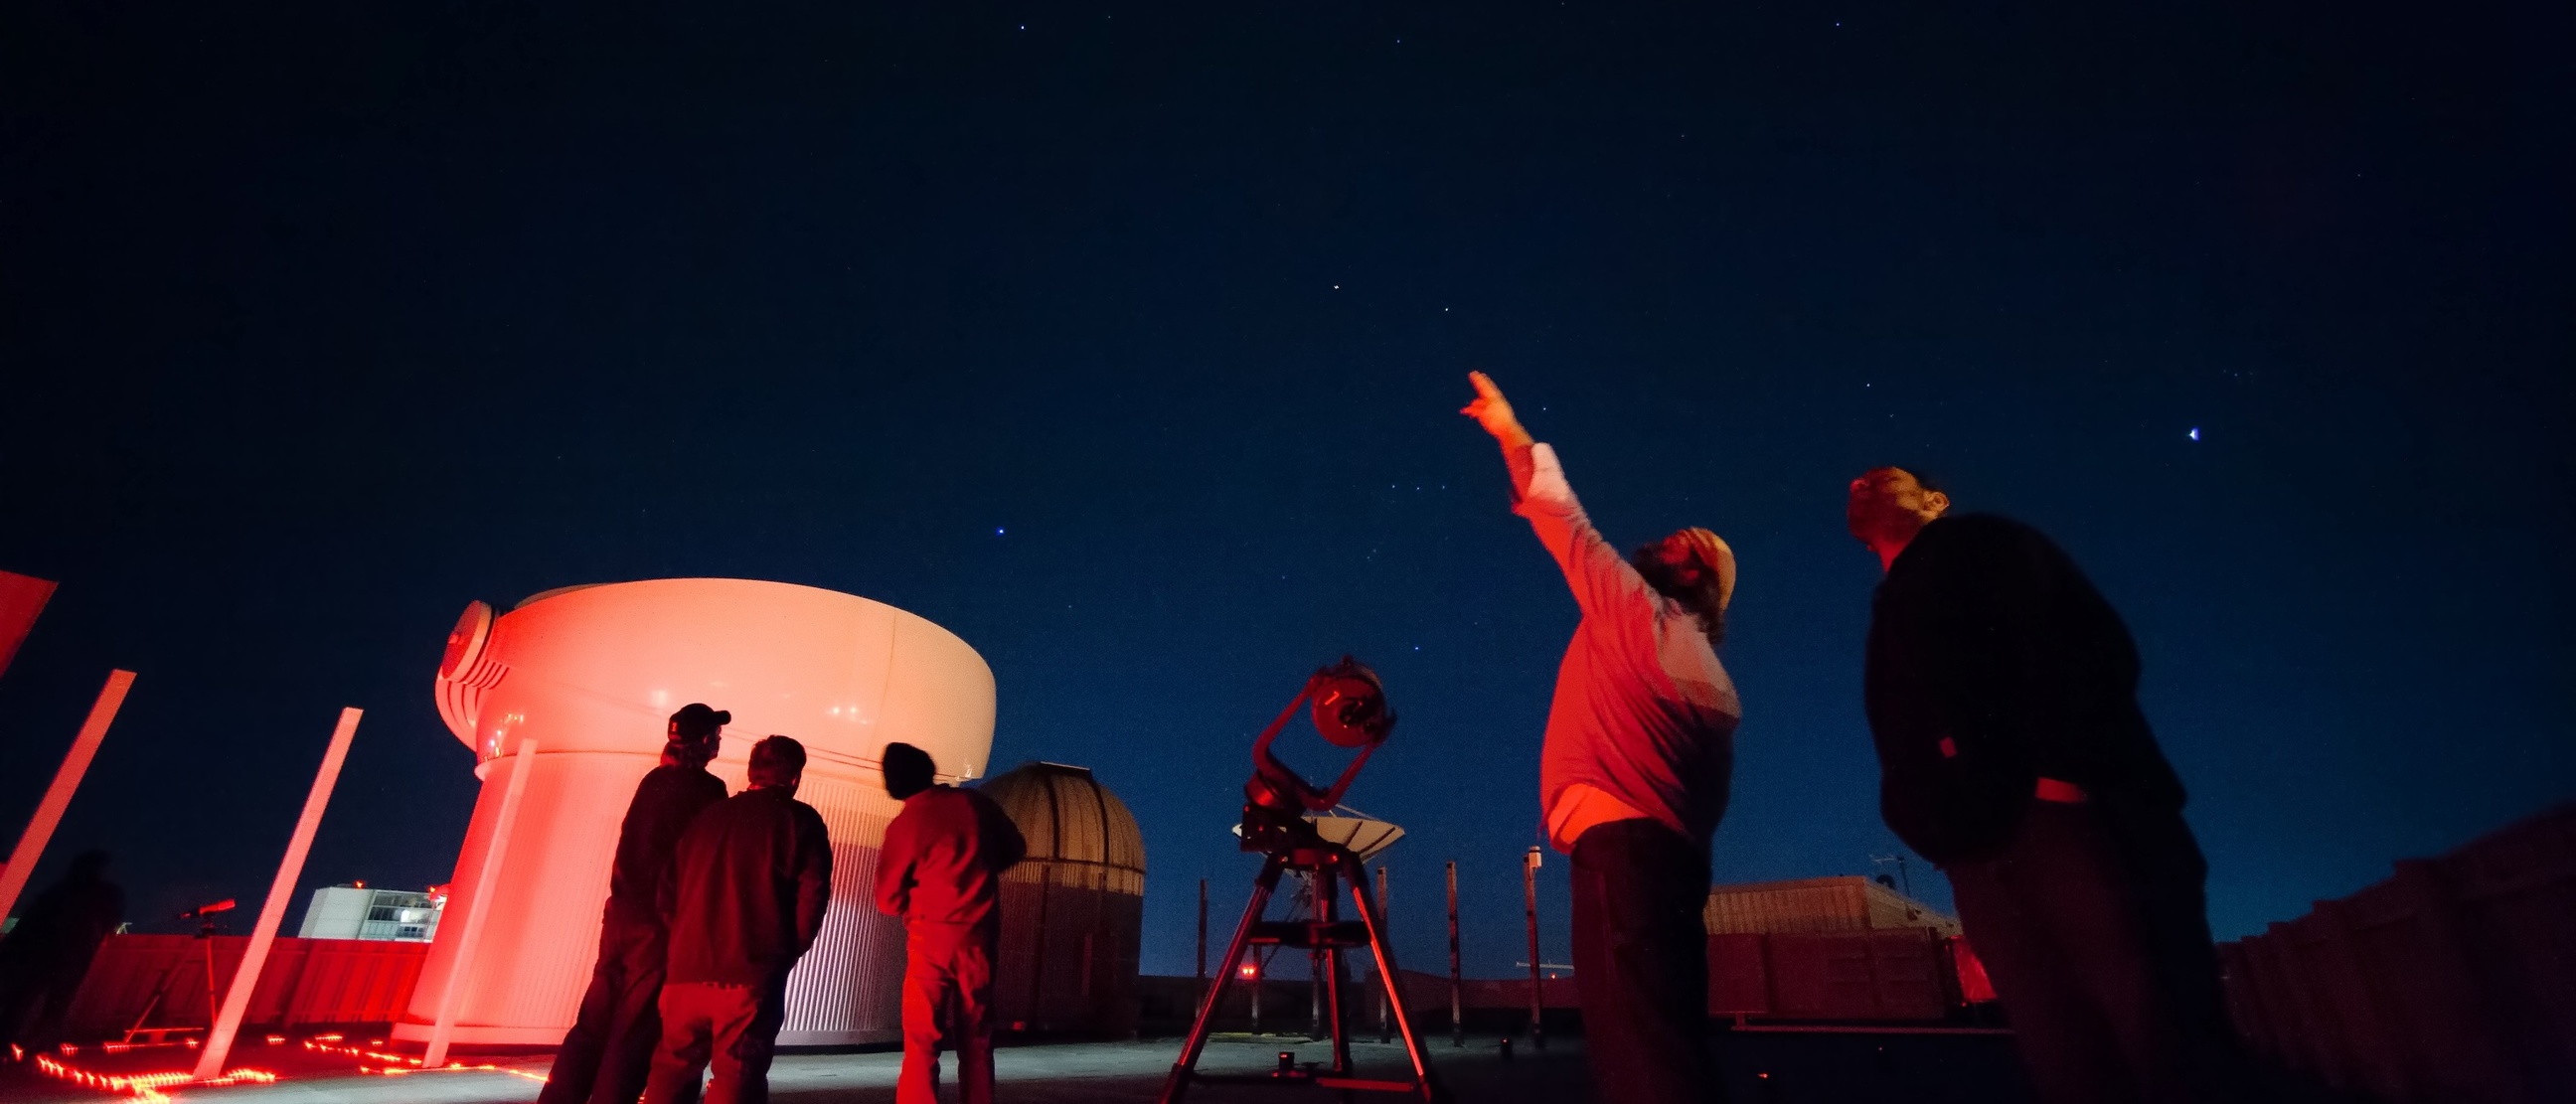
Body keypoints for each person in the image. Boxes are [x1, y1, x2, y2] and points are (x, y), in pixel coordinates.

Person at [1848, 466, 2245, 1103]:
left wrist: (2059, 780)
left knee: (2162, 1031)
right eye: (1855, 486)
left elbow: (2090, 648)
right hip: (1980, 851)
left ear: (1935, 501)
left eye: (1886, 478)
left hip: (2067, 826)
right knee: (2063, 1053)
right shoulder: (1891, 605)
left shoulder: (1983, 545)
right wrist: (1936, 831)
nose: (1861, 482)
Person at [1461, 372, 1739, 1104]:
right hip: (1669, 867)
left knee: (1639, 1058)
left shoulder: (1644, 617)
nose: (1665, 541)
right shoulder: (1713, 679)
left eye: (1685, 547)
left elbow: (1567, 525)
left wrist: (1510, 432)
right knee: (1667, 1042)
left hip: (1622, 858)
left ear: (1696, 579)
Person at [541, 705, 731, 1104]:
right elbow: (705, 862)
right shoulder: (708, 792)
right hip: (658, 924)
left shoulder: (651, 781)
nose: (719, 741)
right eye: (716, 735)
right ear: (704, 742)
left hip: (620, 915)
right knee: (634, 1028)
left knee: (593, 1021)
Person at [641, 735, 832, 1104]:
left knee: (670, 1072)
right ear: (794, 777)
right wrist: (783, 955)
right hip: (748, 977)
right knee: (737, 1075)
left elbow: (666, 894)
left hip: (684, 975)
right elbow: (812, 899)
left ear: (751, 771)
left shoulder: (708, 818)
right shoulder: (800, 821)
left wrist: (682, 945)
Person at [874, 742, 1026, 1104]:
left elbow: (887, 901)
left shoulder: (906, 823)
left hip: (929, 942)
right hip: (978, 940)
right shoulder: (975, 806)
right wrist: (981, 870)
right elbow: (1015, 847)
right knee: (977, 1039)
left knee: (922, 1043)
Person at [0, 850, 123, 1056]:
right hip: (71, 955)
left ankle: (9, 1043)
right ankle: (37, 1048)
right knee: (53, 1004)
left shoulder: (59, 891)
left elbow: (31, 919)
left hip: (44, 952)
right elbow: (109, 923)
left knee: (24, 999)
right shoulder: (105, 893)